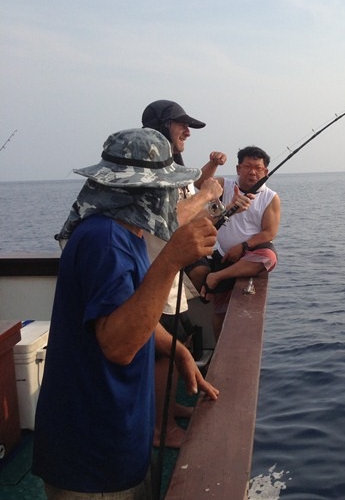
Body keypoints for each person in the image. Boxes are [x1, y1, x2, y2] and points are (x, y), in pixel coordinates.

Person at [33, 128, 220, 499]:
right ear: (140, 190)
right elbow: (118, 345)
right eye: (164, 187)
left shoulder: (127, 233)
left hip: (120, 436)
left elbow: (127, 314)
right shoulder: (105, 240)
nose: (169, 196)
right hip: (92, 454)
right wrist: (170, 261)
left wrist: (177, 349)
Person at [141, 99, 229, 448]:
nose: (187, 131)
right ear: (161, 126)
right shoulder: (147, 168)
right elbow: (164, 220)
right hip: (152, 272)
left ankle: (169, 407)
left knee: (179, 341)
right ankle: (161, 430)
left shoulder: (172, 168)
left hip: (171, 272)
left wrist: (207, 183)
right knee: (164, 353)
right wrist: (208, 192)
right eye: (181, 124)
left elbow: (189, 195)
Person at [200, 146, 281, 340]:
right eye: (247, 167)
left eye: (258, 168)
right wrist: (213, 163)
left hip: (250, 251)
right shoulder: (223, 185)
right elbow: (201, 184)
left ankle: (217, 276)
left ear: (266, 172)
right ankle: (218, 351)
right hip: (223, 253)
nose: (252, 172)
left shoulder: (271, 197)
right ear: (238, 168)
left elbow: (269, 232)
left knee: (269, 258)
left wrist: (243, 246)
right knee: (219, 312)